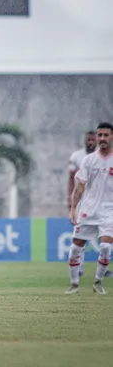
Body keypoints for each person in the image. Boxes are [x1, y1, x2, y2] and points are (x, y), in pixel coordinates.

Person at [66, 122, 113, 295]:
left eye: (105, 135)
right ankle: (74, 284)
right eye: (99, 135)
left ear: (112, 137)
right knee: (75, 248)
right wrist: (73, 209)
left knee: (106, 247)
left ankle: (98, 282)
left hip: (109, 211)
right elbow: (79, 188)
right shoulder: (89, 160)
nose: (101, 139)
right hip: (88, 209)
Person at [67, 131, 99, 277]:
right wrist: (70, 198)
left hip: (101, 201)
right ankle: (79, 268)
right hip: (82, 201)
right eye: (88, 140)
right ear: (85, 141)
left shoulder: (104, 157)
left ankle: (104, 267)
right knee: (80, 236)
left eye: (93, 140)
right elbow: (71, 178)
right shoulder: (77, 157)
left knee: (106, 237)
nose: (90, 143)